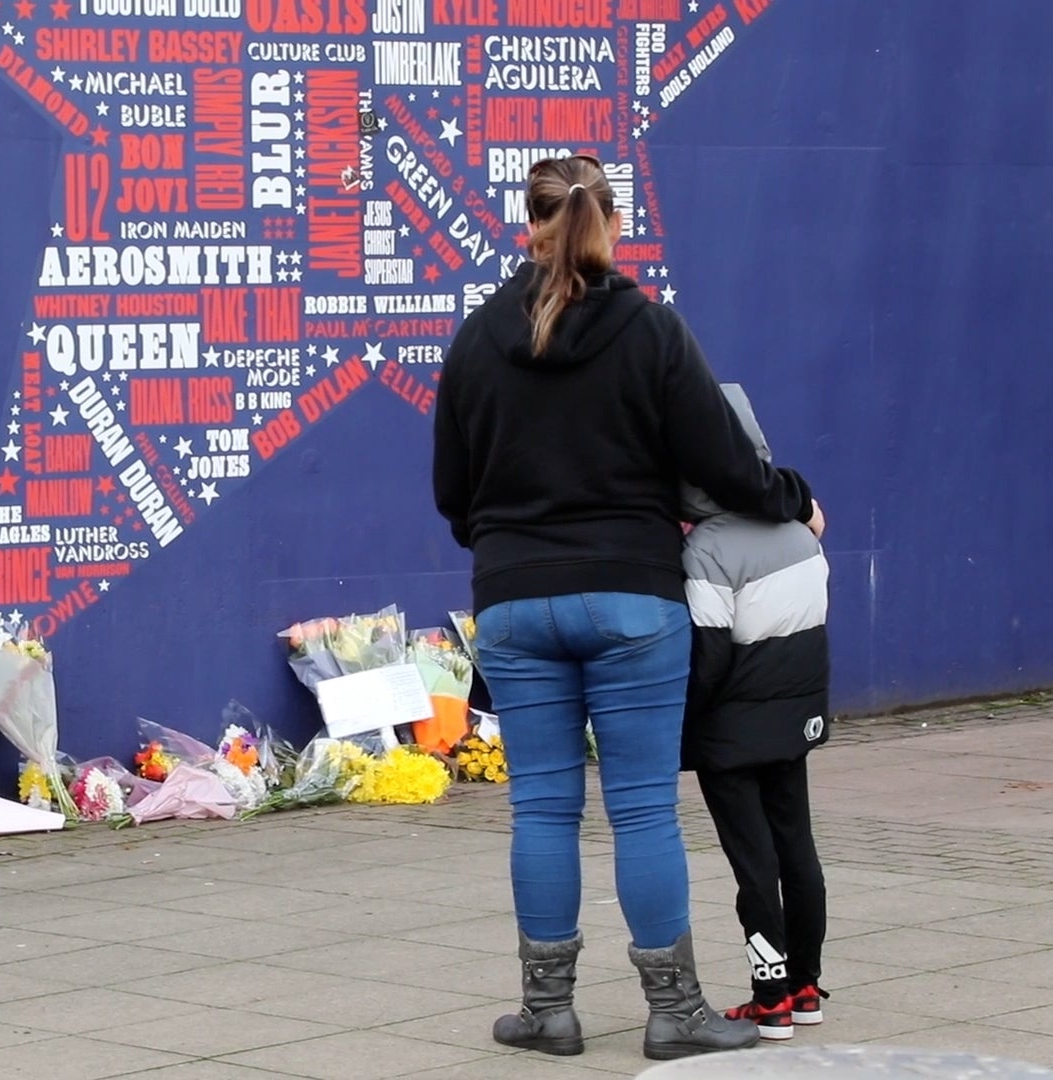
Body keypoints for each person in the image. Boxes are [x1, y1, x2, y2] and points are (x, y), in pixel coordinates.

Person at [431, 154, 825, 1062]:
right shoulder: (651, 332)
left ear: (524, 224)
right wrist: (793, 497)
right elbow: (730, 468)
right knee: (643, 808)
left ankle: (547, 1009)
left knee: (541, 808)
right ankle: (674, 1011)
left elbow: (453, 493)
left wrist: (506, 549)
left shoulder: (477, 337)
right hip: (634, 602)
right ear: (612, 222)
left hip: (516, 602)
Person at [680, 383, 832, 1042]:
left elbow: (709, 657)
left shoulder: (707, 549)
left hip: (732, 732)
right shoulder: (799, 532)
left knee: (753, 866)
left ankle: (767, 997)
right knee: (798, 850)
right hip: (795, 719)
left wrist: (684, 731)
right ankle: (804, 986)